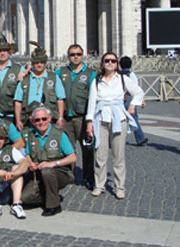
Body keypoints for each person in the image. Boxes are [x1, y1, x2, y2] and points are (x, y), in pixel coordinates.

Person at [86, 52, 143, 199]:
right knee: (100, 153)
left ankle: (119, 187)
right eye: (107, 61)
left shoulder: (123, 79)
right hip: (101, 119)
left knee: (118, 155)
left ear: (116, 64)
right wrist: (89, 123)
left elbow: (138, 92)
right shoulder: (96, 81)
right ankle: (99, 185)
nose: (110, 63)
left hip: (119, 118)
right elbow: (92, 103)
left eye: (113, 61)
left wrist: (132, 105)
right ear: (102, 63)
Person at [21, 105, 76, 216]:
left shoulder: (59, 135)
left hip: (59, 173)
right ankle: (52, 196)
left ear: (50, 119)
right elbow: (27, 154)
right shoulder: (32, 136)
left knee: (47, 170)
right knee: (25, 198)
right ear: (33, 122)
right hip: (39, 174)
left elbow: (73, 157)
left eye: (44, 119)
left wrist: (52, 164)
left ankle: (54, 206)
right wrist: (31, 163)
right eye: (37, 120)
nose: (41, 122)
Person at [56, 44, 97, 190]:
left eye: (78, 54)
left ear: (83, 55)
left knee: (87, 148)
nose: (75, 57)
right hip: (66, 117)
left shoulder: (91, 73)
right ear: (68, 56)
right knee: (67, 148)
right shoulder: (60, 72)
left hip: (83, 117)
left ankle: (88, 177)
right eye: (72, 54)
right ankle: (68, 175)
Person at [14, 43, 66, 131]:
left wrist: (60, 118)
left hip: (49, 121)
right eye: (36, 62)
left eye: (42, 62)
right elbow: (18, 101)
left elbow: (60, 99)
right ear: (32, 63)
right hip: (29, 121)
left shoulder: (53, 77)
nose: (39, 65)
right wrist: (18, 120)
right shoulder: (25, 79)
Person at [120, 56, 148, 146]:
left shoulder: (118, 74)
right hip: (130, 98)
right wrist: (142, 100)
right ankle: (140, 138)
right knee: (134, 118)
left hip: (119, 98)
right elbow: (136, 89)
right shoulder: (131, 75)